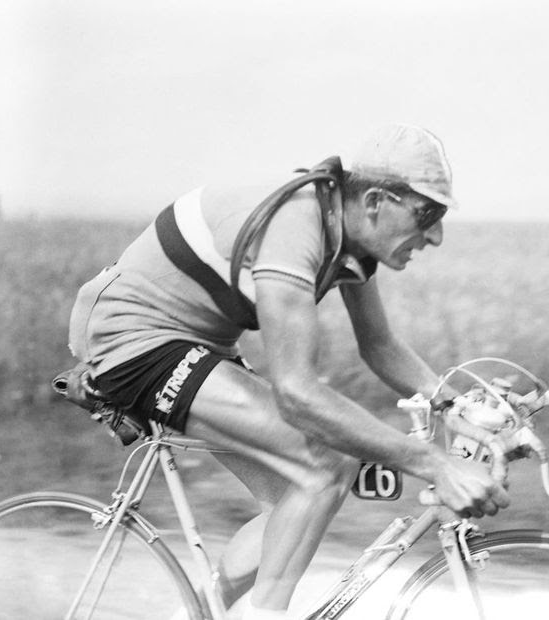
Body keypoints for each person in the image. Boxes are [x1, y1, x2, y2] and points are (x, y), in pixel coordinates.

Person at [67, 124, 509, 619]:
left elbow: (380, 346)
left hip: (195, 342)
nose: (436, 234)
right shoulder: (294, 227)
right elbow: (297, 394)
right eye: (427, 213)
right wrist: (435, 464)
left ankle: (203, 614)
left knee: (291, 507)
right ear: (376, 201)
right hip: (133, 340)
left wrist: (460, 405)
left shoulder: (347, 236)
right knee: (323, 465)